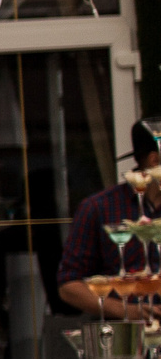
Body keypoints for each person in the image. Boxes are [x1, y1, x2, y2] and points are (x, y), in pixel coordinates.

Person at [54, 118, 160, 326]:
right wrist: (126, 311)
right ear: (154, 160)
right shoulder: (99, 208)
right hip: (128, 335)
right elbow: (68, 285)